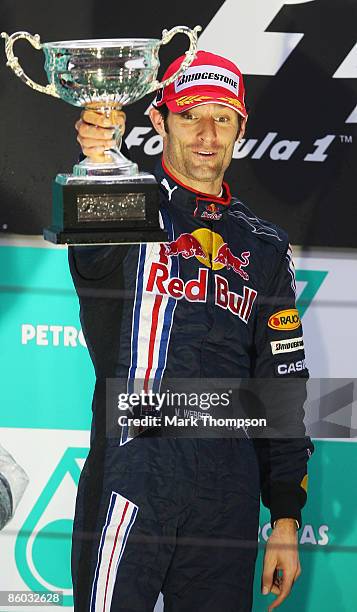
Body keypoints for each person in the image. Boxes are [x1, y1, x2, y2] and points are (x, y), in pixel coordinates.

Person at [71, 50, 314, 612]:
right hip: (134, 470)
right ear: (159, 121)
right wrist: (96, 155)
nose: (207, 135)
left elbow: (281, 385)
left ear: (241, 128)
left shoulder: (265, 246)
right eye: (190, 116)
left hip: (228, 494)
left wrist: (284, 516)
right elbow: (92, 241)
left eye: (222, 118)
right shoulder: (127, 201)